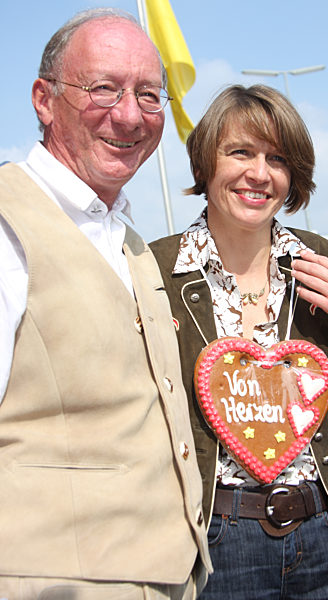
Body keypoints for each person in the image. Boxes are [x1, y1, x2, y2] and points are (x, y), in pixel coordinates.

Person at [150, 84, 328, 599]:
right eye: (240, 152)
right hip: (219, 544)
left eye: (278, 158)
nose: (260, 173)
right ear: (206, 161)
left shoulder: (321, 260)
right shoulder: (155, 271)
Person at [0, 8, 211, 599]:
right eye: (103, 89)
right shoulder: (7, 225)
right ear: (45, 100)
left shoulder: (133, 242)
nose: (129, 115)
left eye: (149, 95)